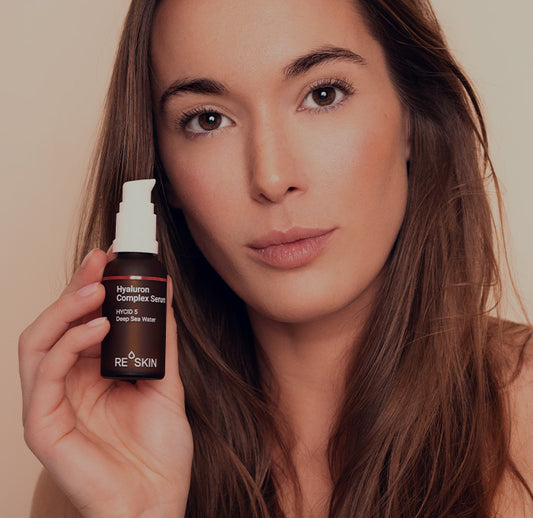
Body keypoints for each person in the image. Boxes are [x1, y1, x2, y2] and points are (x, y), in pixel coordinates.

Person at [18, 0, 533, 516]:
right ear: (163, 175)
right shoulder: (93, 475)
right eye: (208, 119)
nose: (271, 177)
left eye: (323, 94)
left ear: (412, 118)